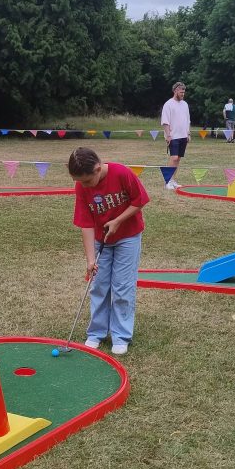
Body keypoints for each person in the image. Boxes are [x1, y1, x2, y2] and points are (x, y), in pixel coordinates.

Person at [68, 147, 150, 356]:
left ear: (97, 169)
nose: (83, 186)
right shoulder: (81, 186)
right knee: (99, 285)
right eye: (80, 182)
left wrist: (118, 221)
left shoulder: (121, 173)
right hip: (99, 239)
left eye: (86, 181)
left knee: (122, 286)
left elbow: (139, 200)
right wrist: (90, 259)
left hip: (128, 237)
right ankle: (96, 333)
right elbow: (86, 223)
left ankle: (121, 335)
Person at [161, 81, 191, 189]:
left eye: (184, 92)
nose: (183, 94)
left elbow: (187, 120)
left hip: (183, 136)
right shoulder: (168, 104)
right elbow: (165, 122)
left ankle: (173, 180)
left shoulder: (185, 104)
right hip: (173, 136)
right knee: (173, 158)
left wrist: (188, 133)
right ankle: (167, 181)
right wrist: (168, 135)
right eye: (181, 92)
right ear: (175, 91)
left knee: (178, 159)